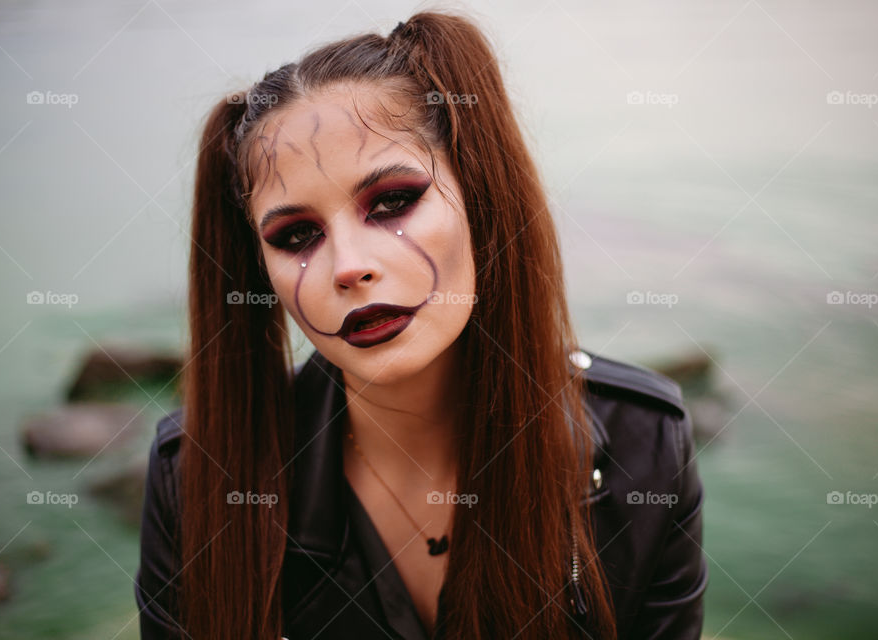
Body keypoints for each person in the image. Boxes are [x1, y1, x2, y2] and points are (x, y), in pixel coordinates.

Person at [134, 11, 708, 640]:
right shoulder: (194, 477)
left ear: (480, 193)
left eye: (392, 201)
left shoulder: (646, 446)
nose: (348, 267)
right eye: (296, 235)